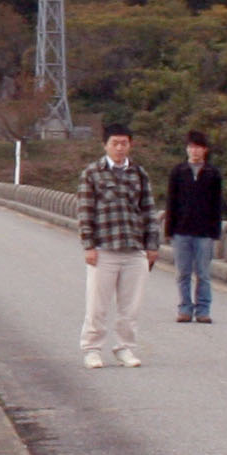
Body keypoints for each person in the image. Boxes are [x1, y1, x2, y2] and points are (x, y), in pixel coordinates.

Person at [77, 124, 161, 368]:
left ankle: (125, 348)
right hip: (104, 248)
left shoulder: (139, 174)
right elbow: (85, 211)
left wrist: (152, 245)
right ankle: (92, 349)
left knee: (130, 307)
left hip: (134, 248)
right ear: (105, 145)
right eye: (115, 143)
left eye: (124, 143)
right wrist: (88, 245)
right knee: (97, 305)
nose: (120, 148)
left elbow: (148, 210)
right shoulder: (92, 173)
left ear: (130, 145)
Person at [164, 128, 222, 324]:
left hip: (204, 232)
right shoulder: (178, 172)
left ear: (205, 150)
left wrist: (215, 231)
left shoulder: (213, 174)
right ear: (187, 149)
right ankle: (185, 309)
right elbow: (171, 202)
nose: (194, 151)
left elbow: (217, 204)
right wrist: (169, 230)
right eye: (191, 147)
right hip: (181, 231)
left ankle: (203, 310)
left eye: (198, 147)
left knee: (203, 274)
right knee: (183, 273)